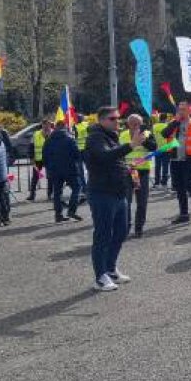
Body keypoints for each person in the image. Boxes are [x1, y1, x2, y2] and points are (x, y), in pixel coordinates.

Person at [85, 106, 142, 292]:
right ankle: (100, 276)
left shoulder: (111, 137)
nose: (118, 122)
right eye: (113, 119)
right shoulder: (95, 137)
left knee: (121, 231)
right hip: (102, 193)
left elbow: (114, 160)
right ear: (101, 120)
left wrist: (127, 168)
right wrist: (131, 146)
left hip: (118, 192)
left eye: (118, 118)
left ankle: (110, 268)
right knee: (102, 234)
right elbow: (104, 157)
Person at [162, 102, 191, 224]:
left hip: (190, 159)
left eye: (183, 109)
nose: (181, 112)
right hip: (175, 158)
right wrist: (176, 122)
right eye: (179, 109)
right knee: (179, 188)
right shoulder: (174, 122)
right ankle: (184, 214)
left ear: (189, 111)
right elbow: (164, 134)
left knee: (189, 184)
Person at [120, 114, 157, 238]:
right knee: (126, 202)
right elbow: (118, 152)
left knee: (142, 202)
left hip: (142, 172)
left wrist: (144, 140)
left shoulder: (147, 134)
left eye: (139, 124)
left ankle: (139, 228)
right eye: (134, 124)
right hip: (127, 172)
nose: (137, 126)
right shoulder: (122, 135)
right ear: (128, 124)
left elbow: (154, 147)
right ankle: (125, 227)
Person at [43, 121, 83, 223]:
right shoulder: (70, 139)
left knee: (57, 193)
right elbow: (77, 155)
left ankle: (58, 215)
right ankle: (71, 210)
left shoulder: (48, 140)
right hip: (70, 169)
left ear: (55, 128)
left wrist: (49, 167)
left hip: (55, 171)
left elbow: (44, 157)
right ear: (65, 127)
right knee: (77, 188)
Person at [27, 120, 53, 201]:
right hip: (38, 159)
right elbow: (31, 146)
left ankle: (50, 194)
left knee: (50, 177)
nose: (46, 127)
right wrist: (31, 158)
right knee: (35, 177)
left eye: (47, 125)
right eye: (44, 125)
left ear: (50, 126)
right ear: (42, 125)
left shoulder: (53, 133)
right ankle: (32, 194)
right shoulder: (36, 134)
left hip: (50, 159)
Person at [152, 113, 171, 188]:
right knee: (165, 166)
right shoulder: (167, 126)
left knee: (157, 166)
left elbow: (153, 136)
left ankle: (156, 182)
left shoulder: (154, 126)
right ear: (166, 118)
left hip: (157, 148)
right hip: (166, 148)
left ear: (159, 118)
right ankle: (164, 183)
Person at [73, 115, 90, 196]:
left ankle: (84, 188)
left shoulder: (75, 127)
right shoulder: (87, 125)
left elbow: (74, 138)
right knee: (89, 169)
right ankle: (89, 187)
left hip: (79, 151)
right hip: (87, 150)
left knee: (80, 171)